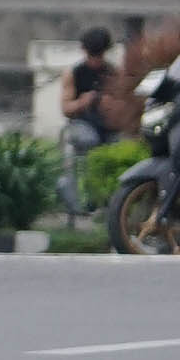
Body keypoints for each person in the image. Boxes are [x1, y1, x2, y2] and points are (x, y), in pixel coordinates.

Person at [58, 24, 116, 216]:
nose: (96, 61)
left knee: (118, 144)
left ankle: (108, 200)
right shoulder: (74, 73)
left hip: (107, 124)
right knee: (89, 141)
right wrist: (82, 102)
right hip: (81, 122)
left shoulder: (113, 73)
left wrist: (111, 104)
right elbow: (66, 108)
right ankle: (82, 200)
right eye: (93, 55)